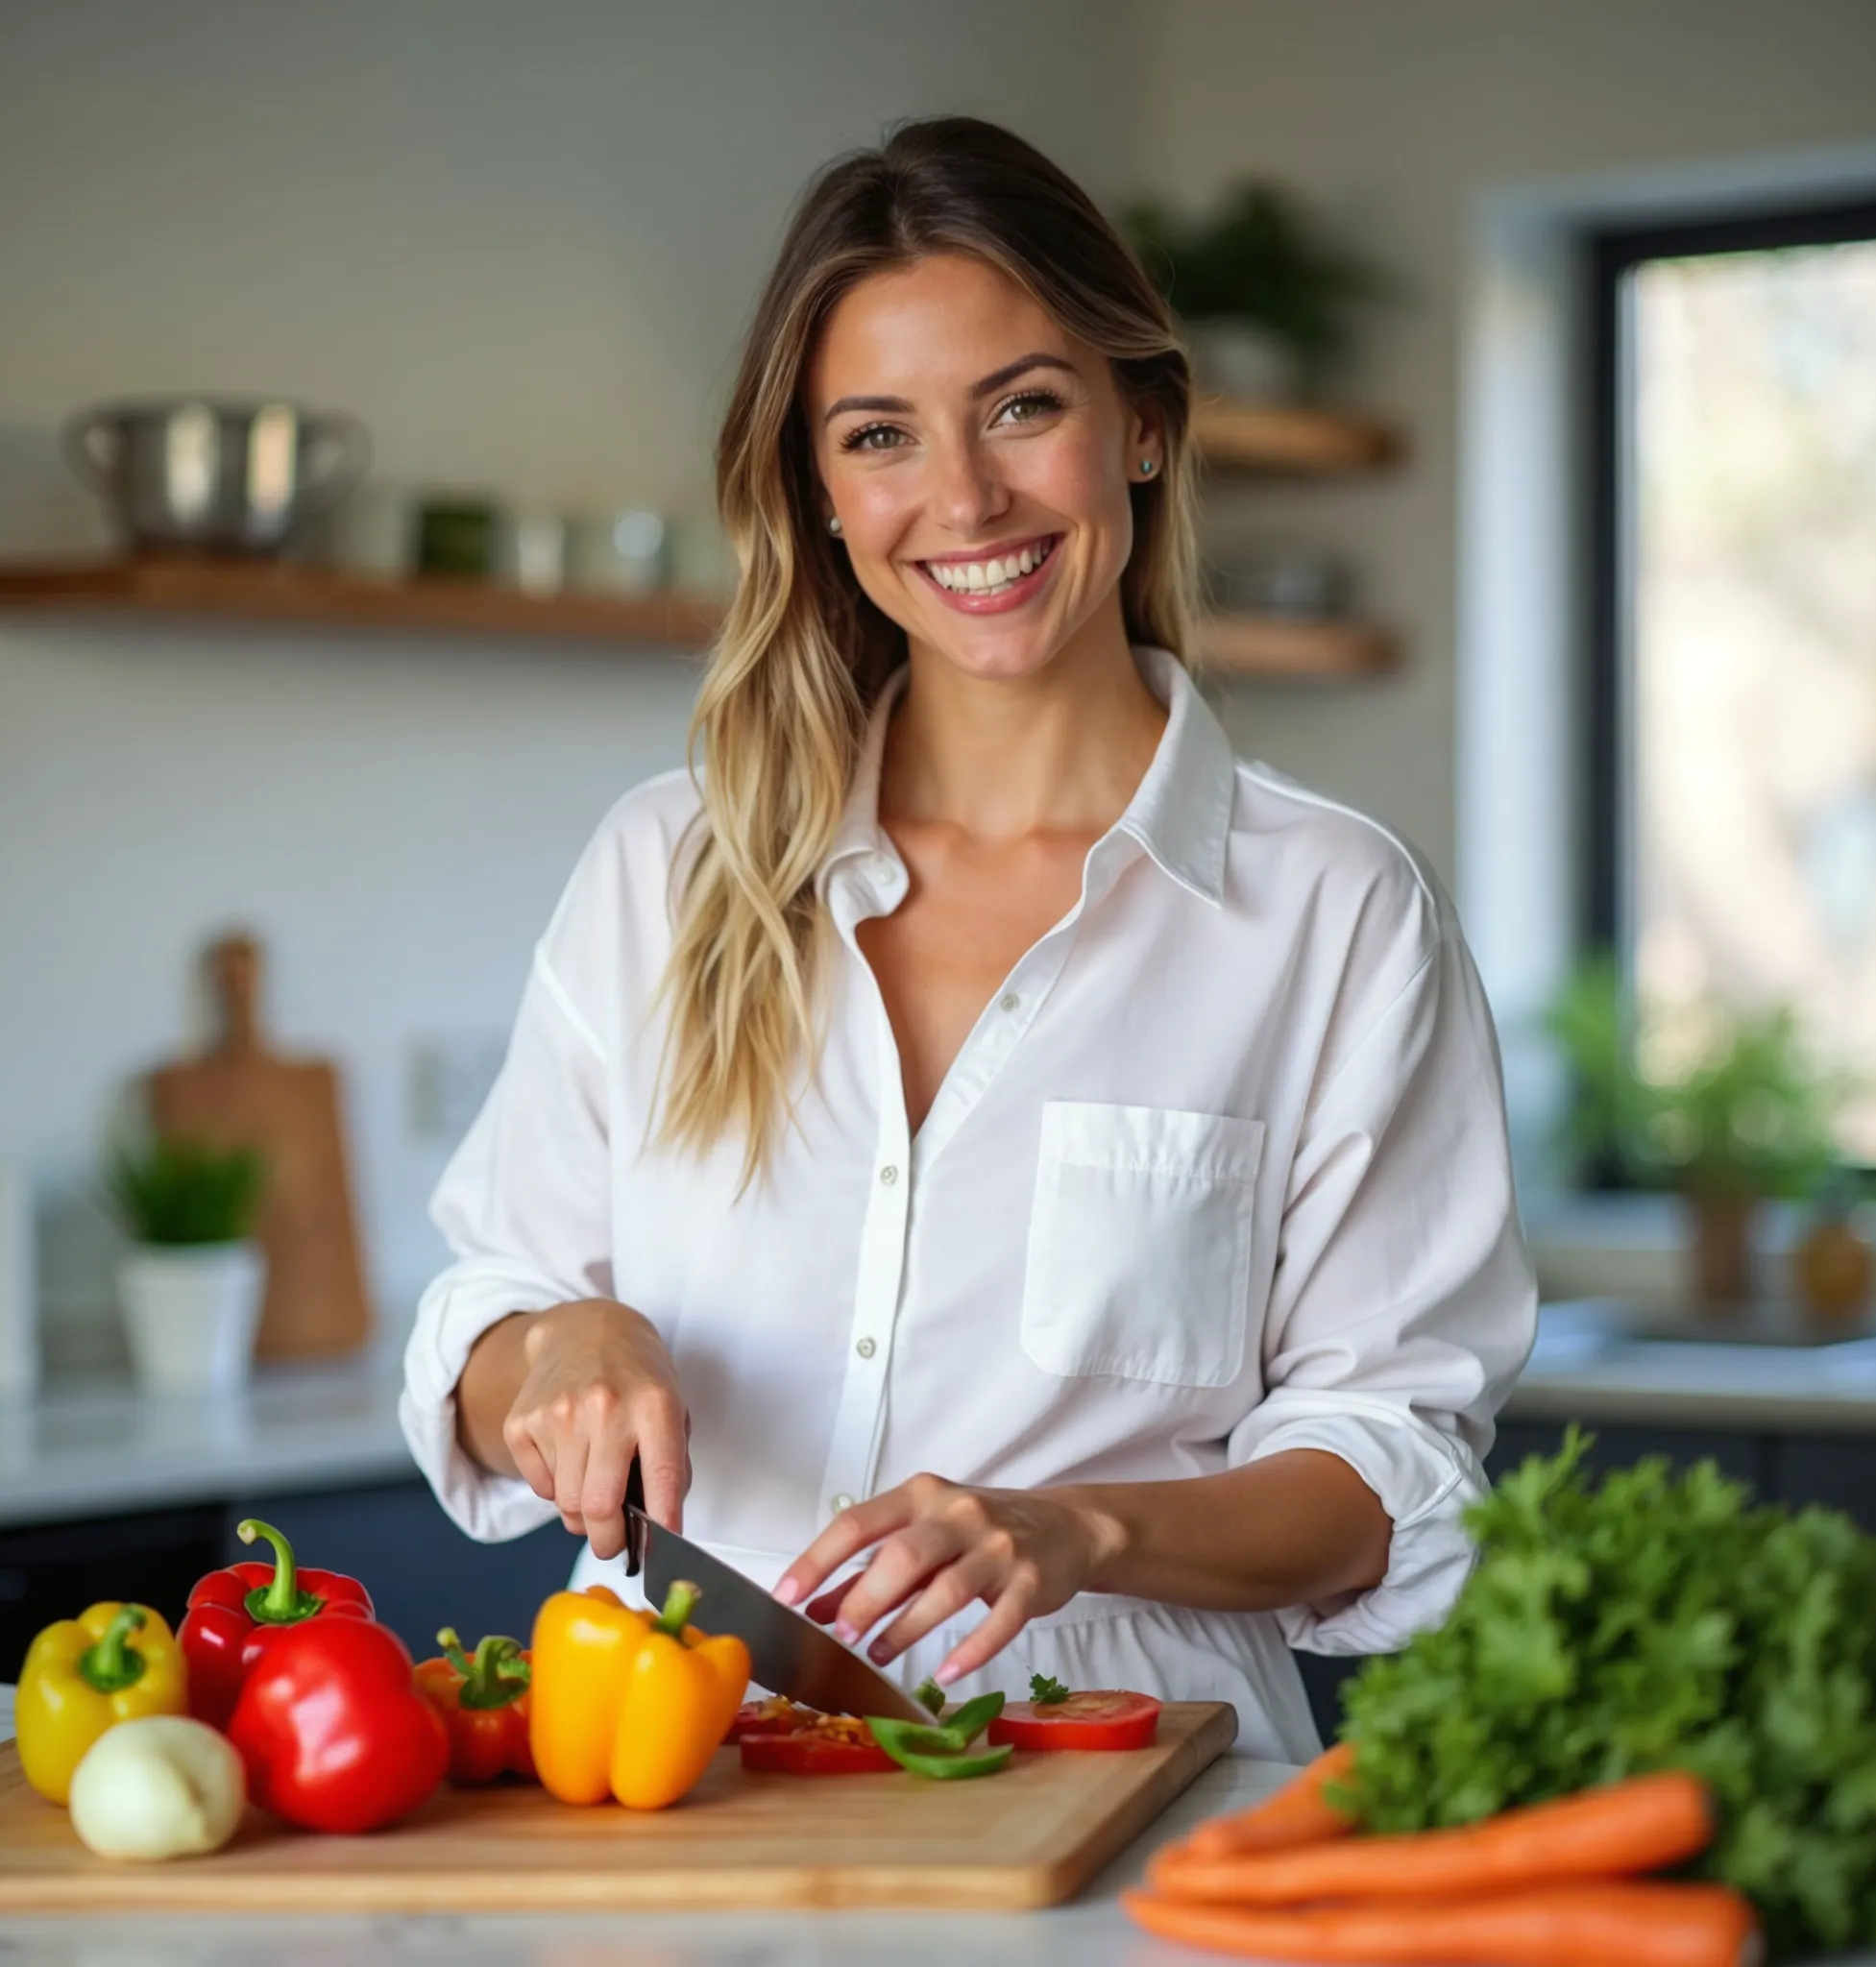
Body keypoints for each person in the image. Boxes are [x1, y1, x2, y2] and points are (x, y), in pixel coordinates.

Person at [399, 114, 1536, 1762]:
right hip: (685, 1777)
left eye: (1022, 407)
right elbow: (489, 1323)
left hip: (1128, 1789)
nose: (964, 498)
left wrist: (1080, 1529)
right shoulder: (670, 868)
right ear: (819, 492)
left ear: (1139, 424)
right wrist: (557, 1353)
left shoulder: (1334, 913)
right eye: (879, 436)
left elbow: (1391, 1462)